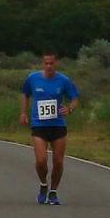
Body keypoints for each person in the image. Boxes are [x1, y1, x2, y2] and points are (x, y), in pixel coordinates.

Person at [20, 51, 79, 205]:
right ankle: (43, 184)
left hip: (58, 125)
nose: (49, 66)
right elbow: (25, 94)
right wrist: (23, 113)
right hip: (39, 125)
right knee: (41, 160)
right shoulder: (33, 78)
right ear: (42, 63)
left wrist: (69, 109)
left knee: (58, 161)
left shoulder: (63, 80)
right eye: (46, 63)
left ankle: (53, 191)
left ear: (56, 63)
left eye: (51, 63)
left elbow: (74, 98)